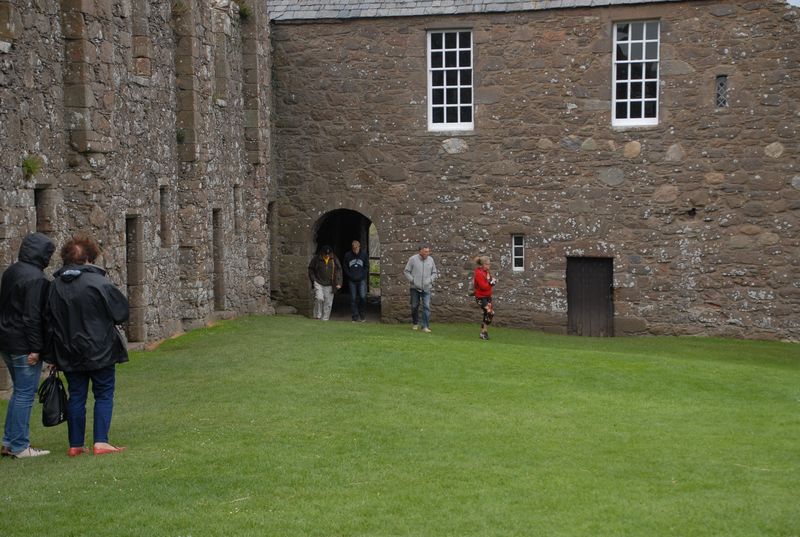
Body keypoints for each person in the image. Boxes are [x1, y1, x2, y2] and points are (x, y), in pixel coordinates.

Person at [44, 235, 129, 457]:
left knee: (77, 396)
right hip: (100, 348)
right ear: (89, 258)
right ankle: (100, 441)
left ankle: (76, 444)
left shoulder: (54, 287)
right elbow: (121, 312)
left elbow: (48, 322)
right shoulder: (100, 283)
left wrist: (51, 355)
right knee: (104, 393)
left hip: (68, 350)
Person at [0, 233, 55, 459]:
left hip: (7, 339)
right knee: (25, 393)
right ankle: (20, 445)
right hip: (23, 343)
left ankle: (9, 442)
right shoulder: (36, 279)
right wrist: (36, 348)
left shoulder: (12, 271)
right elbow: (32, 316)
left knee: (19, 392)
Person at [403, 245, 437, 333]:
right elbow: (406, 271)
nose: (427, 253)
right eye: (425, 251)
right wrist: (413, 280)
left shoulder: (431, 260)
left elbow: (434, 273)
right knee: (414, 306)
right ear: (420, 251)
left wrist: (430, 280)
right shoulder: (412, 259)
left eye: (428, 251)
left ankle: (425, 326)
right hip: (414, 288)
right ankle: (415, 323)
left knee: (426, 306)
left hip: (427, 288)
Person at [307, 245, 342, 321]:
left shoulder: (334, 259)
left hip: (330, 284)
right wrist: (313, 279)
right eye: (325, 254)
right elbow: (311, 269)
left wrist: (339, 282)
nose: (327, 255)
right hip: (318, 282)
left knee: (328, 302)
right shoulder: (316, 259)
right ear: (322, 253)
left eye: (328, 254)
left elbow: (339, 270)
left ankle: (325, 319)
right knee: (319, 298)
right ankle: (317, 315)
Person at [343, 240, 368, 322]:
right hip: (352, 280)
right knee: (353, 298)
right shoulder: (348, 255)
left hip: (361, 279)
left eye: (356, 248)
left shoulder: (364, 255)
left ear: (359, 247)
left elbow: (366, 266)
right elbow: (345, 266)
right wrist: (349, 275)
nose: (355, 250)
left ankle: (362, 313)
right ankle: (355, 316)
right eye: (354, 249)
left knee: (362, 297)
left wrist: (362, 275)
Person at [473, 256, 497, 340]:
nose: (488, 266)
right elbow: (483, 286)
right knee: (490, 313)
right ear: (482, 264)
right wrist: (491, 283)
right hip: (480, 297)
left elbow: (489, 282)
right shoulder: (478, 273)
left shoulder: (487, 272)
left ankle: (484, 333)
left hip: (488, 296)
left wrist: (493, 281)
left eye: (489, 264)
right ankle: (483, 332)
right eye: (487, 264)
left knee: (487, 314)